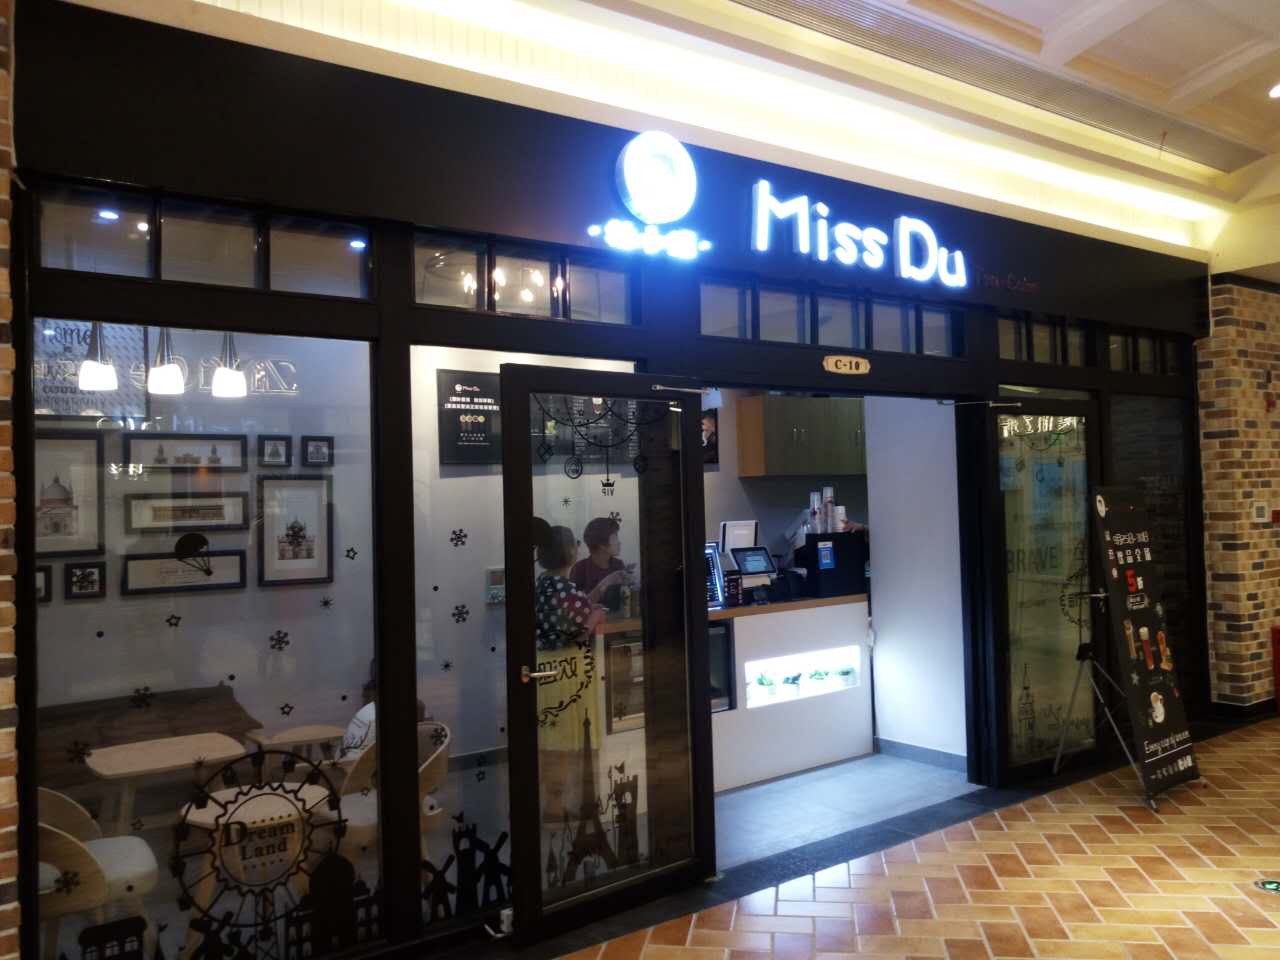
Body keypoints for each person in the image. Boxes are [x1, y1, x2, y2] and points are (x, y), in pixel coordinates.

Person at [569, 517, 632, 612]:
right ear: (601, 545)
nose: (619, 542)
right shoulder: (579, 569)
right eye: (615, 538)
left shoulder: (618, 565)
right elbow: (575, 607)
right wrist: (608, 582)